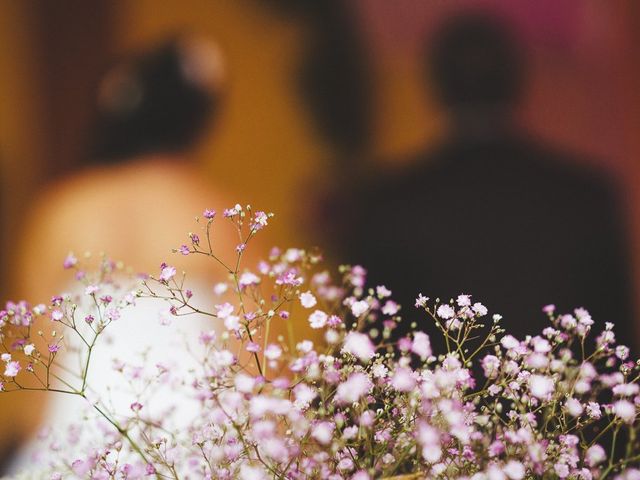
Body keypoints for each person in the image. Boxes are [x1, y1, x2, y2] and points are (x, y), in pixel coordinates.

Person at [326, 11, 637, 355]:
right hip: (562, 407)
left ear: (436, 85)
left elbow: (368, 353)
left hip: (438, 407)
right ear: (518, 80)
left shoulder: (386, 202)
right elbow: (618, 350)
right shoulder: (586, 196)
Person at [3, 35, 242, 473]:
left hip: (76, 450)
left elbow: (38, 368)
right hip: (198, 454)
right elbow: (254, 370)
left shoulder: (61, 213)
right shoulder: (221, 218)